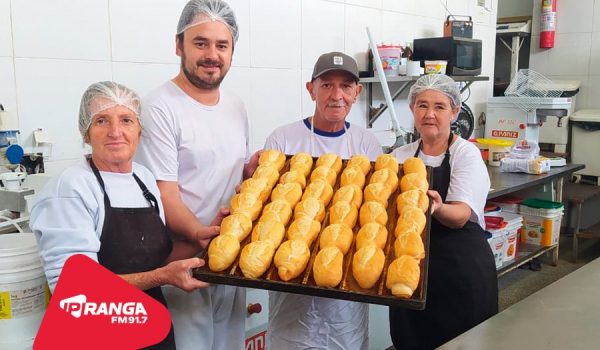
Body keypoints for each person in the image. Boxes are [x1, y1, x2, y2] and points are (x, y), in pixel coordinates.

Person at [30, 81, 213, 350]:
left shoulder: (144, 178)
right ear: (86, 132)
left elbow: (156, 259)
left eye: (126, 120)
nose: (115, 132)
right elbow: (73, 290)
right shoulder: (71, 188)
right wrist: (163, 276)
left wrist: (203, 240)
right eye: (102, 120)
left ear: (139, 130)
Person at [134, 1, 259, 349]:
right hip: (184, 260)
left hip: (228, 256)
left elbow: (226, 171)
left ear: (233, 51)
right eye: (200, 43)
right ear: (179, 45)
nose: (212, 55)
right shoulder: (160, 106)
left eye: (222, 45)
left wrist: (252, 172)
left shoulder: (235, 106)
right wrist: (205, 238)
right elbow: (164, 194)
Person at [264, 51, 382, 350]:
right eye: (327, 85)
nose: (336, 95)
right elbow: (269, 209)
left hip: (345, 287)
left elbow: (375, 213)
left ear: (357, 92)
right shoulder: (283, 139)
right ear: (310, 89)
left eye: (345, 86)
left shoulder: (366, 144)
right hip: (292, 282)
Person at [389, 74, 498, 349]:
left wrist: (436, 208)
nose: (430, 114)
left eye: (439, 106)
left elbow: (461, 215)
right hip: (411, 271)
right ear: (412, 109)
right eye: (422, 105)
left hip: (459, 271)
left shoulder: (466, 154)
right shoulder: (399, 157)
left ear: (455, 112)